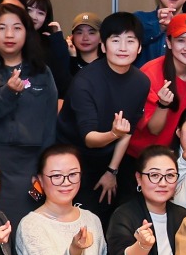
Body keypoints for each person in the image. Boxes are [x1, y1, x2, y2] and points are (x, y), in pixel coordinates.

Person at [0, 1, 59, 226]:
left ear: (27, 33)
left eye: (17, 28)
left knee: (26, 228)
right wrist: (8, 93)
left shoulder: (41, 72)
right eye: (2, 28)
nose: (9, 34)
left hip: (29, 164)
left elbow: (49, 124)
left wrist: (44, 167)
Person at [57, 12, 149, 223]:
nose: (123, 48)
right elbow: (90, 138)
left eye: (130, 41)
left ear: (139, 47)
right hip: (74, 159)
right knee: (82, 220)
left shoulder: (141, 82)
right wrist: (114, 133)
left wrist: (111, 171)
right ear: (104, 46)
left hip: (111, 158)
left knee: (118, 215)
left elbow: (127, 131)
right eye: (115, 40)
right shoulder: (85, 82)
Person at [132, 12, 186, 169]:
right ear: (169, 43)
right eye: (181, 40)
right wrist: (163, 104)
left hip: (184, 158)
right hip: (144, 159)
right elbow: (154, 129)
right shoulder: (149, 73)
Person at [19, 0, 73, 99]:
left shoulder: (50, 42)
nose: (34, 17)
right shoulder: (9, 40)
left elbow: (62, 79)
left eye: (40, 13)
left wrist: (57, 39)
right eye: (29, 10)